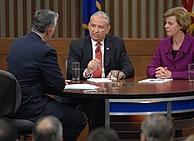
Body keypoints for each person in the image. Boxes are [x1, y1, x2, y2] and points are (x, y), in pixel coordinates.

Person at [7, 9, 87, 141]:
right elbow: (57, 86)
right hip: (32, 106)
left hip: (12, 106)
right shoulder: (46, 51)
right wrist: (60, 82)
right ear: (50, 30)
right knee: (79, 118)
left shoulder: (17, 43)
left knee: (63, 107)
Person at [55, 11, 134, 130]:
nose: (95, 30)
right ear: (89, 25)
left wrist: (120, 73)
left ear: (107, 29)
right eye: (93, 26)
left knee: (100, 105)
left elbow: (129, 68)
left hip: (108, 93)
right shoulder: (77, 45)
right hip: (84, 94)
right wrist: (87, 70)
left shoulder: (117, 44)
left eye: (100, 27)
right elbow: (71, 72)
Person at [146, 7, 194, 80]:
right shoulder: (163, 44)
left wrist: (171, 75)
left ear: (181, 25)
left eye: (170, 24)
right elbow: (150, 68)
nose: (166, 26)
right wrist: (158, 73)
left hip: (187, 88)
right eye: (166, 23)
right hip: (166, 89)